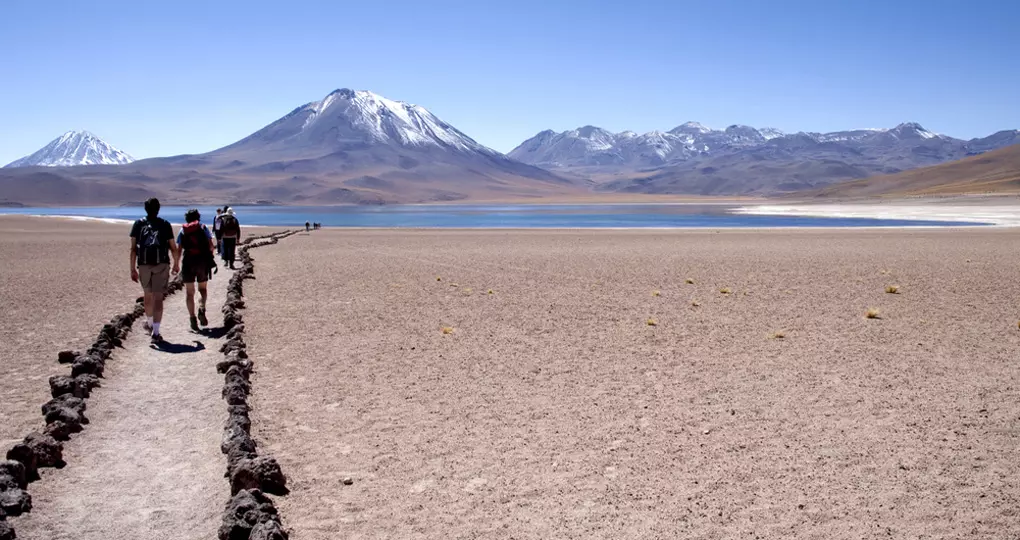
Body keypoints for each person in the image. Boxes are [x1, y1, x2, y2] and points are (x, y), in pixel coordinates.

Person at [130, 198, 179, 344]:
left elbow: (133, 249)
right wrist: (176, 263)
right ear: (158, 209)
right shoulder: (165, 225)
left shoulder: (138, 224)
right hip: (161, 264)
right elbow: (173, 246)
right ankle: (156, 332)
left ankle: (150, 323)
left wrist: (132, 268)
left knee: (147, 295)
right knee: (158, 297)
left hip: (144, 265)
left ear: (145, 209)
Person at [177, 209, 217, 331]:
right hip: (202, 262)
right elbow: (211, 246)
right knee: (202, 289)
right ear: (198, 218)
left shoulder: (182, 230)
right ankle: (201, 308)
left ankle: (192, 318)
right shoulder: (203, 228)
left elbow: (179, 249)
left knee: (189, 293)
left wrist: (176, 264)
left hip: (188, 262)